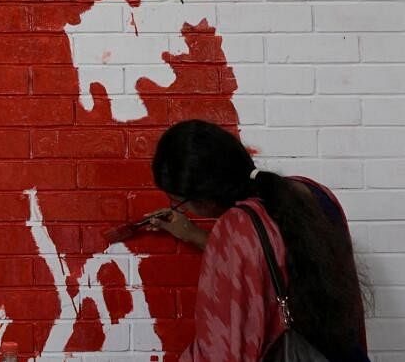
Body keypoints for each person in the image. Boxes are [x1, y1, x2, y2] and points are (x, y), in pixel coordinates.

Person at [145, 119, 369, 362]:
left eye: (181, 203)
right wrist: (193, 234)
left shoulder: (237, 226)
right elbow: (274, 257)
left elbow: (222, 349)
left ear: (204, 198)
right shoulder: (312, 194)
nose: (184, 209)